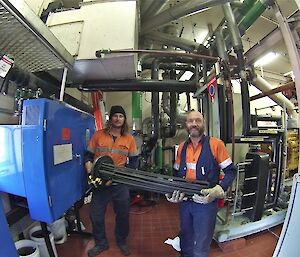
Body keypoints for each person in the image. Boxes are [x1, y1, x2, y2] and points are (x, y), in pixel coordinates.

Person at [165, 110, 236, 257]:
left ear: (203, 124)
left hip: (206, 204)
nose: (194, 124)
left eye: (198, 121)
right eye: (191, 121)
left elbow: (231, 171)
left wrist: (219, 189)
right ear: (186, 124)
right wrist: (173, 191)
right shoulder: (182, 147)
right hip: (185, 203)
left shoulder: (216, 145)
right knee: (185, 240)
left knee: (201, 246)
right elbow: (176, 174)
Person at [85, 105, 138, 257]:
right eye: (115, 115)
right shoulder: (98, 135)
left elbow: (134, 161)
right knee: (95, 215)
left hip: (119, 183)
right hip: (100, 183)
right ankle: (101, 243)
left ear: (124, 119)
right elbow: (88, 156)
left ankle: (121, 241)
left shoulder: (129, 138)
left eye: (121, 116)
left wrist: (127, 176)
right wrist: (90, 172)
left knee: (122, 214)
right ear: (111, 118)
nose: (118, 118)